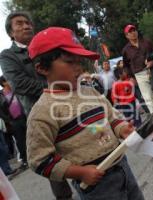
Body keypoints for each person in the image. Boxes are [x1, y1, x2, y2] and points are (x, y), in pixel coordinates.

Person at [26, 27, 144, 200]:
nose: (79, 68)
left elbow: (110, 116)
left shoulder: (89, 92)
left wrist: (122, 129)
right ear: (42, 68)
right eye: (70, 62)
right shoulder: (43, 112)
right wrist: (80, 172)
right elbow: (39, 160)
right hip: (96, 185)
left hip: (122, 166)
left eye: (79, 62)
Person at [0, 11, 73, 200]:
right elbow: (20, 85)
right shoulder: (8, 56)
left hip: (68, 104)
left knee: (80, 144)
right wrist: (55, 87)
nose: (26, 26)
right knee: (54, 162)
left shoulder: (45, 46)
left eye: (28, 22)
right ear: (10, 32)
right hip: (41, 113)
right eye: (19, 24)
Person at [122, 24, 153, 113]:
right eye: (130, 32)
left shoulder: (146, 42)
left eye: (134, 30)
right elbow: (125, 66)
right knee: (148, 99)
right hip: (139, 75)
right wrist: (131, 77)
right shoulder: (126, 50)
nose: (133, 33)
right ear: (126, 36)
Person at [0, 76, 27, 169]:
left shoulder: (16, 90)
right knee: (20, 140)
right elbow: (1, 112)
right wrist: (8, 121)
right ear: (3, 83)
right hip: (14, 121)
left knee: (31, 136)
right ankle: (25, 159)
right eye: (7, 80)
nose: (10, 82)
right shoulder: (1, 95)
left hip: (24, 116)